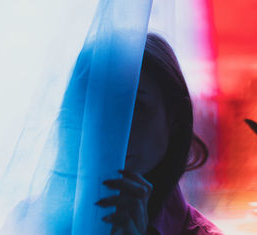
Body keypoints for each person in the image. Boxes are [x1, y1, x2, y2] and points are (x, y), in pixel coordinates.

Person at [95, 33, 223, 235]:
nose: (113, 129)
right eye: (96, 109)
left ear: (174, 117)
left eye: (135, 106)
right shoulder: (42, 220)